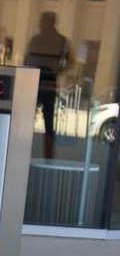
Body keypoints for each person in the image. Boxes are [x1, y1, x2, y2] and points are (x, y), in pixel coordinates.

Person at [26, 10, 73, 159]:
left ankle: (44, 154)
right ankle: (44, 154)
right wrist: (57, 70)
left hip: (45, 84)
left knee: (39, 122)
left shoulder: (59, 41)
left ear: (49, 22)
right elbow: (27, 61)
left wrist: (57, 70)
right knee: (37, 121)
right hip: (40, 84)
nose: (39, 23)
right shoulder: (40, 40)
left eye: (42, 20)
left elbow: (70, 62)